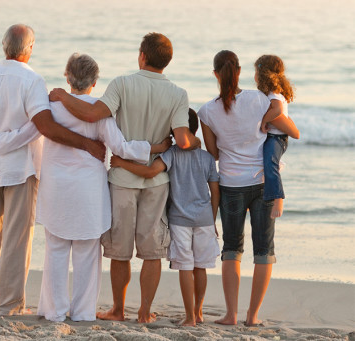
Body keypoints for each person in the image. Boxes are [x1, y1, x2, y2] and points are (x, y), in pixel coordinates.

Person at [0, 53, 170, 322]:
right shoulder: (100, 112)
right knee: (87, 254)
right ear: (94, 81)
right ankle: (82, 313)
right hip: (88, 190)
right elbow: (123, 148)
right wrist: (157, 147)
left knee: (55, 251)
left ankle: (53, 312)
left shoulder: (51, 107)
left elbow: (24, 135)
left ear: (67, 77)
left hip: (56, 187)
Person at [49, 32, 200, 323]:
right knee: (152, 249)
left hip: (121, 178)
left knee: (120, 250)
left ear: (142, 56)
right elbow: (182, 139)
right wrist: (195, 144)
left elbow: (94, 114)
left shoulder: (122, 83)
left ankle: (118, 309)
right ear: (167, 61)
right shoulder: (179, 94)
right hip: (156, 182)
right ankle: (144, 311)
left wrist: (61, 96)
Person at [0, 24, 106, 316]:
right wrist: (86, 144)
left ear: (5, 46)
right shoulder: (32, 81)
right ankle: (9, 304)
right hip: (20, 169)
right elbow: (45, 126)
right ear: (28, 49)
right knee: (17, 236)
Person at [110, 109, 220, 327]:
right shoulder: (207, 158)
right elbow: (215, 191)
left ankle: (189, 318)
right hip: (205, 220)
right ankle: (198, 313)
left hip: (180, 220)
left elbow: (151, 172)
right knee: (201, 267)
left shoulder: (171, 154)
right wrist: (213, 218)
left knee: (186, 267)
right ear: (196, 129)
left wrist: (122, 164)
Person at [197, 50, 275, 327]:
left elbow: (214, 153)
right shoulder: (259, 98)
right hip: (263, 182)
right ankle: (252, 317)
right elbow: (275, 128)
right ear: (239, 71)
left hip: (231, 184)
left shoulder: (206, 111)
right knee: (263, 250)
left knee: (232, 249)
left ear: (216, 74)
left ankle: (231, 315)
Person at [254, 55, 300, 219]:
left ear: (262, 74)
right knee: (260, 164)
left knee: (269, 163)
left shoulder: (274, 94)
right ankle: (255, 197)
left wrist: (264, 121)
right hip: (273, 136)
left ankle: (278, 198)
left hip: (277, 138)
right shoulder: (272, 93)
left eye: (255, 71)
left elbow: (278, 110)